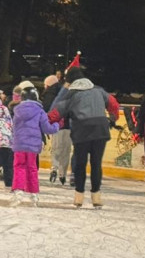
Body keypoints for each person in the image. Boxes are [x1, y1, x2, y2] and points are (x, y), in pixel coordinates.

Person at [48, 66, 121, 208]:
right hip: (100, 129)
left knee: (80, 164)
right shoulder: (99, 90)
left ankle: (79, 197)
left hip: (82, 130)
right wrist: (113, 118)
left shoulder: (72, 94)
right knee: (96, 164)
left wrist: (43, 122)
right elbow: (113, 104)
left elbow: (57, 112)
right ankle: (96, 197)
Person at [11, 86, 61, 206]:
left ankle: (18, 192)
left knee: (19, 167)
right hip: (32, 147)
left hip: (19, 145)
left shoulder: (17, 110)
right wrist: (57, 125)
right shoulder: (39, 111)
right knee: (32, 168)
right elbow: (47, 128)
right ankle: (34, 195)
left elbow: (13, 128)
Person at [42, 74, 71, 185]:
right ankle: (62, 173)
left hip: (57, 125)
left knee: (56, 148)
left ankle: (54, 168)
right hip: (68, 125)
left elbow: (46, 110)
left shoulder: (50, 94)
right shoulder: (67, 93)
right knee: (66, 150)